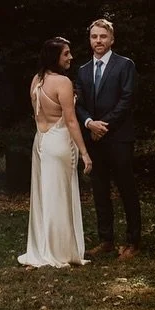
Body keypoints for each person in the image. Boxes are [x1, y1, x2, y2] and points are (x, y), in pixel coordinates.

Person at [17, 36, 93, 268]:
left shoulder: (36, 81)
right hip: (59, 142)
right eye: (66, 53)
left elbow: (38, 114)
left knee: (45, 197)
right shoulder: (63, 82)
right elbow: (70, 121)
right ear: (55, 57)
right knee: (60, 197)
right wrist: (84, 153)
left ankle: (43, 248)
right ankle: (60, 252)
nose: (70, 57)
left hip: (41, 141)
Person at [75, 18, 141, 259]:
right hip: (93, 138)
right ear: (90, 40)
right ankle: (106, 240)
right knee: (100, 190)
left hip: (119, 137)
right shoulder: (82, 71)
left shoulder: (125, 65)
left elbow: (127, 99)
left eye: (103, 36)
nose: (98, 41)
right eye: (94, 37)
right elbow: (78, 104)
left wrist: (105, 125)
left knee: (126, 189)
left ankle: (133, 241)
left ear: (112, 39)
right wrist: (89, 123)